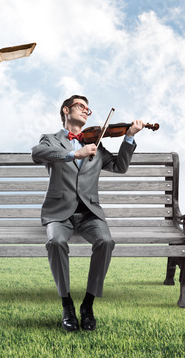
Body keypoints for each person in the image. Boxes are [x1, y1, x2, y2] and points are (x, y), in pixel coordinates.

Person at [31, 95, 144, 332]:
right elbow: (37, 153)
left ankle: (88, 305)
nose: (86, 110)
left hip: (90, 213)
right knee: (55, 242)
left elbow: (120, 167)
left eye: (88, 109)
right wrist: (74, 154)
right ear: (66, 109)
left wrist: (129, 136)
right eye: (81, 106)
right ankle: (66, 304)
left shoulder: (97, 144)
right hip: (59, 212)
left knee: (106, 241)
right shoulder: (51, 140)